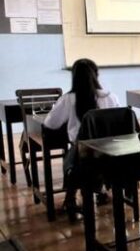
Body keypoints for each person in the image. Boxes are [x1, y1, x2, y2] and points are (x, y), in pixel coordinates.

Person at [43, 58, 120, 210]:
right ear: (96, 75)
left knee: (75, 153)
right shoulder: (111, 97)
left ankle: (71, 197)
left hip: (83, 156)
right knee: (89, 154)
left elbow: (50, 123)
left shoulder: (68, 99)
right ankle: (101, 190)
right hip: (110, 153)